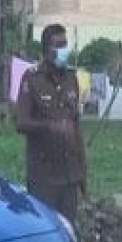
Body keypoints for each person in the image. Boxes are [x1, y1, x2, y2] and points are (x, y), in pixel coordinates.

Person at [15, 24, 87, 222]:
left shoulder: (72, 78)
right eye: (59, 45)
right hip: (44, 178)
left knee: (69, 233)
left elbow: (75, 127)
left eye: (65, 44)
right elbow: (21, 122)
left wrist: (82, 174)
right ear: (46, 50)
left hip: (69, 176)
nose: (64, 50)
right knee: (46, 231)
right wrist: (49, 127)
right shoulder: (32, 78)